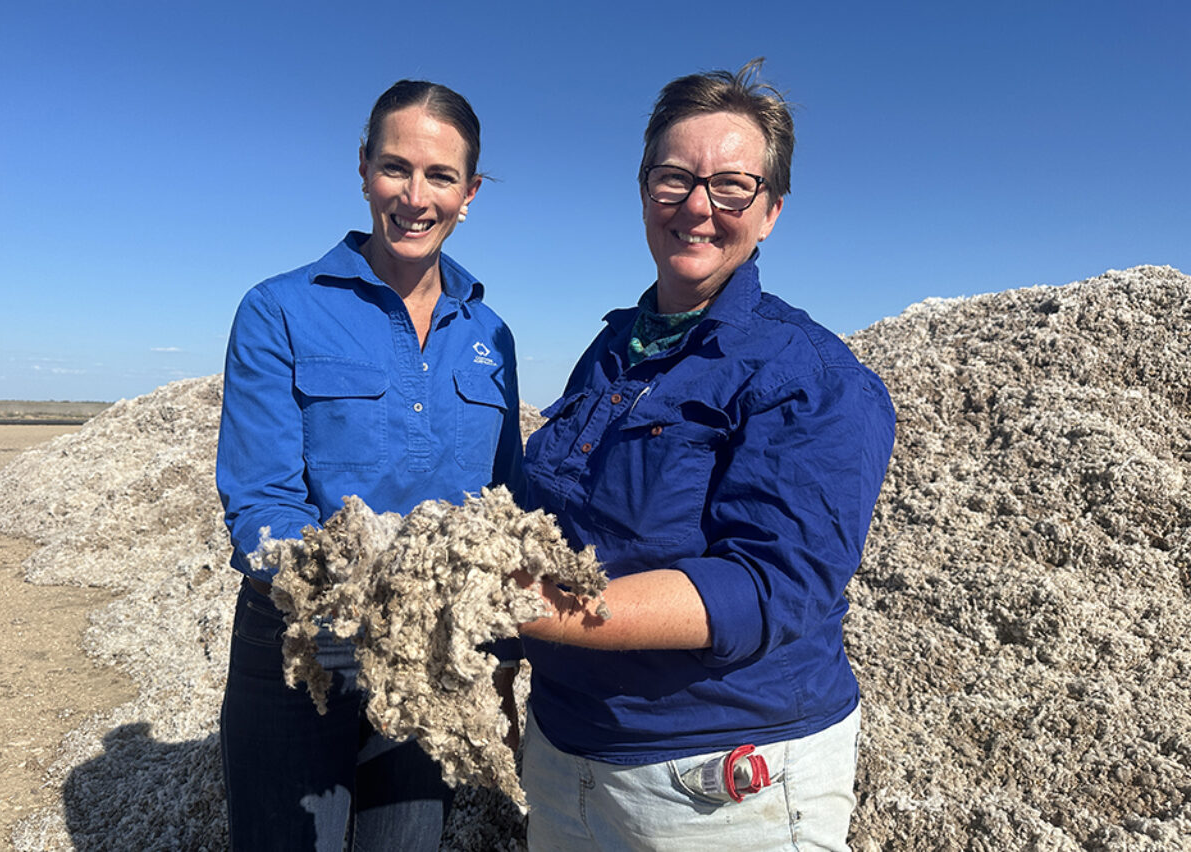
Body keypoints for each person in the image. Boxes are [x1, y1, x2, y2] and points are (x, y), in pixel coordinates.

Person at [515, 59, 896, 851]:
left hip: (718, 782)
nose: (697, 207)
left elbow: (768, 585)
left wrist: (539, 609)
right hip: (566, 755)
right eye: (674, 179)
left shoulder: (811, 374)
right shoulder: (617, 347)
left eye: (731, 186)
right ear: (644, 189)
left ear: (771, 212)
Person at [215, 79, 523, 851]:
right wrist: (356, 595)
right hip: (299, 650)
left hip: (431, 649)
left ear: (470, 192)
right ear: (363, 171)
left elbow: (504, 504)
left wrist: (504, 644)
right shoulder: (279, 309)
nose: (415, 197)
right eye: (395, 168)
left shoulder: (491, 332)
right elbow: (261, 501)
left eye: (441, 176)